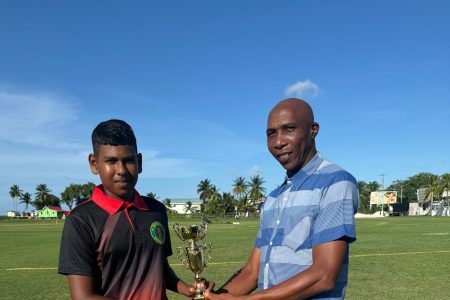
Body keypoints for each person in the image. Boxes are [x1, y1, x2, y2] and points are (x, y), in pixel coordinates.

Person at [205, 98, 359, 300]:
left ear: (313, 130)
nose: (278, 142)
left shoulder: (336, 182)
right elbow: (253, 271)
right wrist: (210, 296)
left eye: (289, 129)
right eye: (271, 134)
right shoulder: (273, 198)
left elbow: (323, 275)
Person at [58, 119, 197, 300]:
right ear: (94, 163)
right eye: (111, 161)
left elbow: (158, 266)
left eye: (129, 160)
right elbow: (83, 296)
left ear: (139, 162)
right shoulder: (81, 220)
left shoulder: (156, 211)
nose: (121, 170)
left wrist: (186, 289)